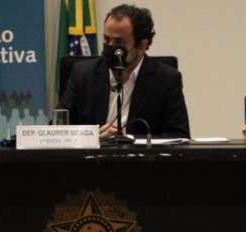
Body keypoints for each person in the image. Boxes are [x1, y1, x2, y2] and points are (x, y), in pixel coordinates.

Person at [58, 4, 190, 139]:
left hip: (140, 153)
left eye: (118, 42)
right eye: (106, 39)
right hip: (93, 152)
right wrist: (92, 137)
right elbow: (57, 130)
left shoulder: (166, 80)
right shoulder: (83, 74)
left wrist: (132, 140)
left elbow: (179, 136)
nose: (109, 47)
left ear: (142, 45)